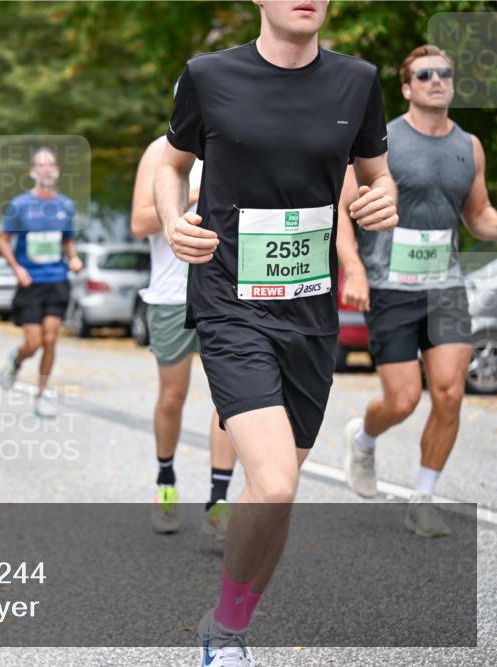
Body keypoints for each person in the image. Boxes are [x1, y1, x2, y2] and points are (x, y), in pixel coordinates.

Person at [153, 1, 398, 663]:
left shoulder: (358, 81)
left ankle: (227, 620)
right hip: (230, 302)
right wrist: (175, 220)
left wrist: (385, 198)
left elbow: (376, 179)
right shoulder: (208, 76)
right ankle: (226, 639)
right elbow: (170, 166)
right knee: (277, 480)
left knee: (276, 489)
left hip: (310, 316)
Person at [339, 44, 497, 536]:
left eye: (445, 73)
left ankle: (422, 497)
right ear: (407, 87)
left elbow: (478, 215)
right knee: (404, 399)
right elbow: (342, 212)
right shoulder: (379, 143)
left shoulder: (468, 146)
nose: (437, 80)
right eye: (425, 74)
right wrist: (356, 271)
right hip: (390, 286)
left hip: (444, 286)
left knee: (449, 394)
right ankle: (363, 438)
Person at [132, 136, 238, 540]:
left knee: (230, 400)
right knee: (172, 397)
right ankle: (165, 482)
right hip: (171, 294)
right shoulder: (160, 151)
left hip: (227, 291)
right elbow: (140, 223)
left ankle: (218, 500)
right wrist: (194, 191)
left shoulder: (236, 141)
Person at [0, 148, 83, 418]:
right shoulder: (20, 205)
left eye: (50, 164)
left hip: (57, 280)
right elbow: (3, 240)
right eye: (40, 164)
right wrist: (17, 268)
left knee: (50, 339)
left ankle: (42, 394)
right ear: (33, 172)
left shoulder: (66, 206)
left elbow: (67, 241)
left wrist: (75, 258)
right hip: (30, 282)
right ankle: (17, 359)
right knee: (33, 343)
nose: (46, 169)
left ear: (56, 170)